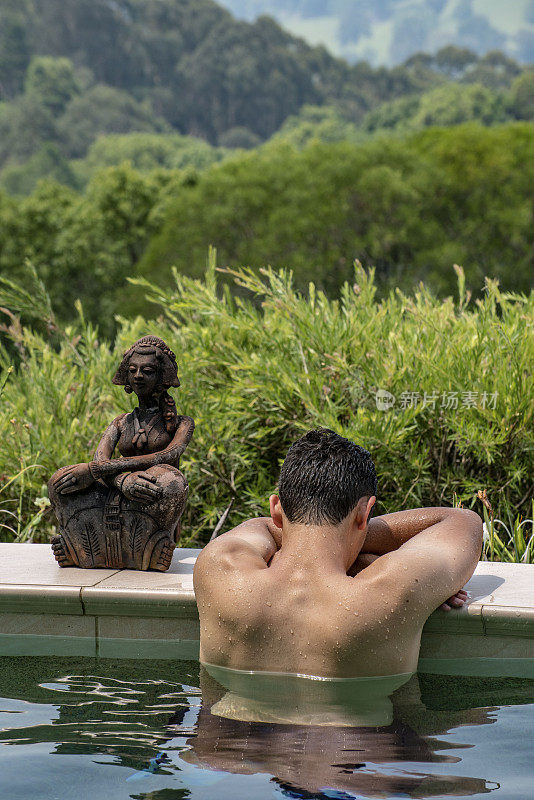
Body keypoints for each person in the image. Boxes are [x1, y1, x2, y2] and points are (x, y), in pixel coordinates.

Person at [194, 428, 482, 678]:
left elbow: (261, 527)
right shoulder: (389, 589)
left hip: (230, 737)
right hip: (352, 741)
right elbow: (464, 521)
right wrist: (361, 554)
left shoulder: (218, 566)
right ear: (364, 513)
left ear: (276, 509)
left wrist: (311, 540)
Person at [49, 335, 194, 570]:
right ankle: (80, 548)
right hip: (119, 482)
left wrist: (102, 471)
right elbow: (100, 459)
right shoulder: (120, 422)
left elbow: (168, 455)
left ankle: (152, 549)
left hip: (150, 489)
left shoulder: (182, 423)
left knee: (173, 481)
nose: (138, 376)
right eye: (133, 370)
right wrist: (123, 480)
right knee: (60, 480)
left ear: (161, 377)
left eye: (147, 371)